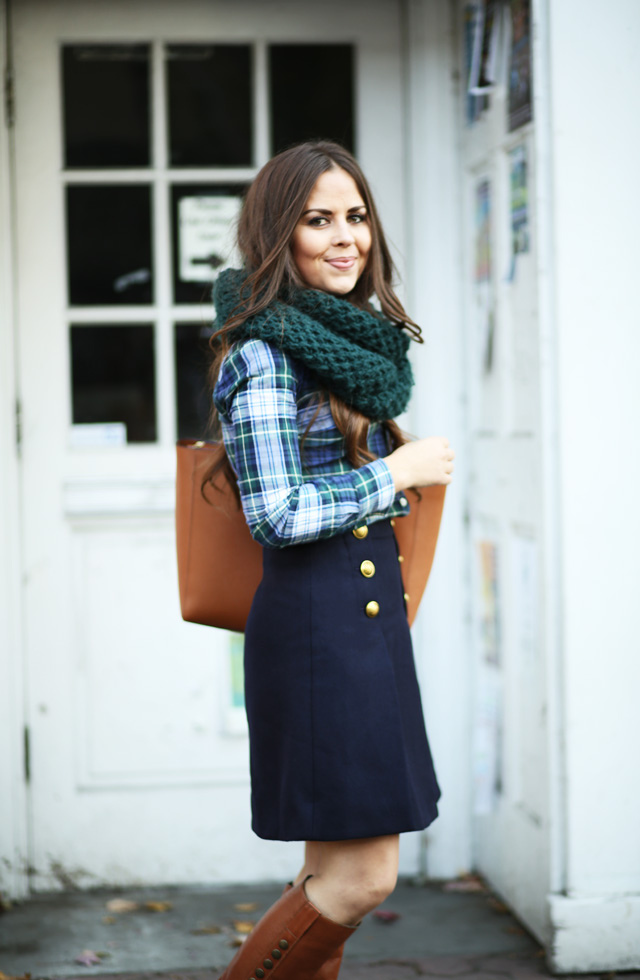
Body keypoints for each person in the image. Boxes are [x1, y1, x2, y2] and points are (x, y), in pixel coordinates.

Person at [205, 140, 455, 979]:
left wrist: (379, 459)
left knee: (330, 876)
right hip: (318, 638)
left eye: (355, 216)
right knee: (358, 881)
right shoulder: (263, 352)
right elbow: (274, 512)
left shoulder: (346, 347)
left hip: (360, 634)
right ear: (279, 235)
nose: (345, 237)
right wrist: (394, 474)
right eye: (318, 220)